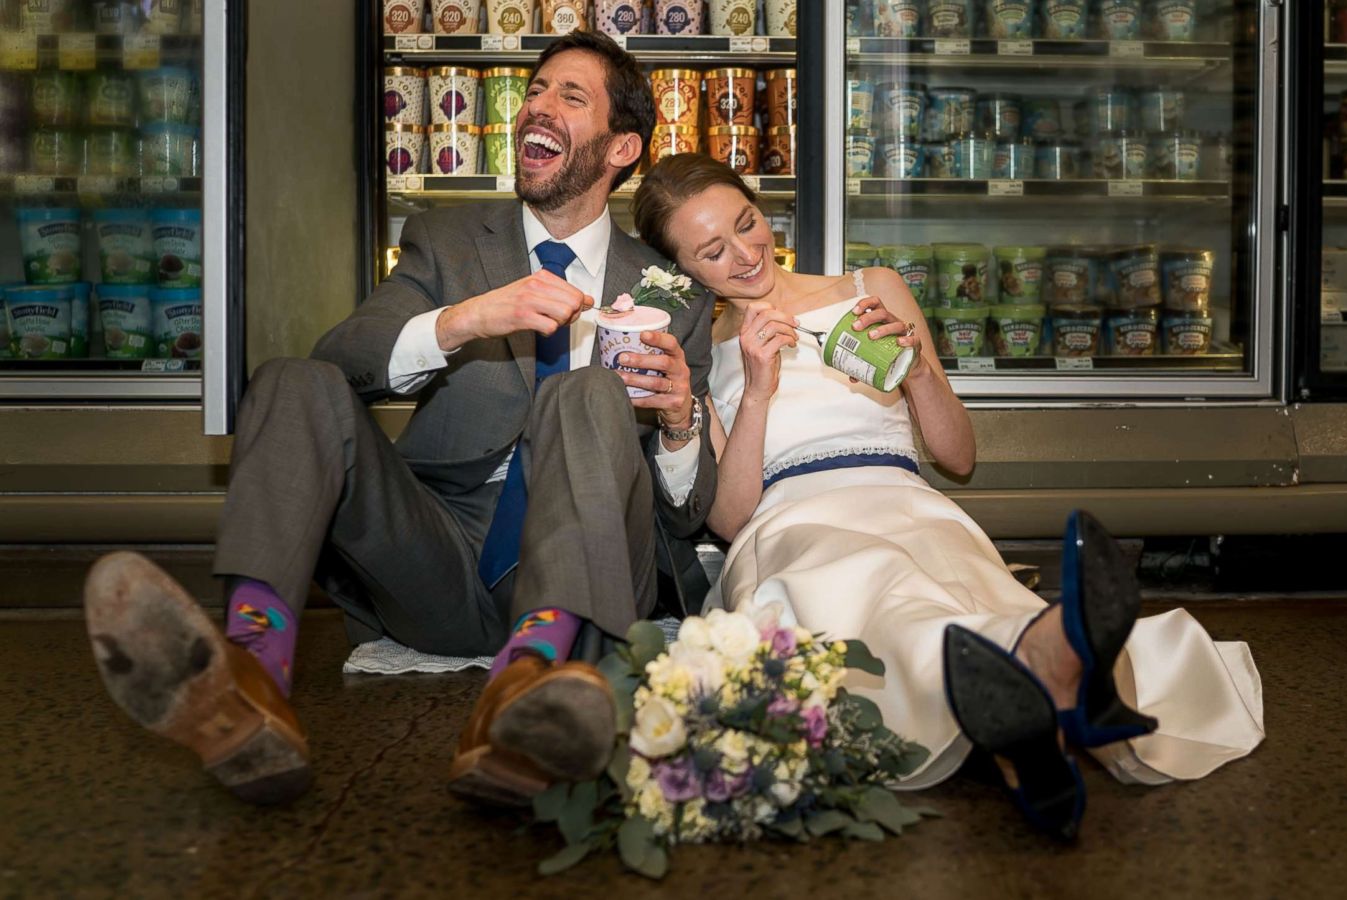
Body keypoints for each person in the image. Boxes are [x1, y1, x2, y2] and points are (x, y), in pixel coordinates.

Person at [82, 32, 717, 809]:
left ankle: (527, 687)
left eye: (569, 96)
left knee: (584, 394)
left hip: (585, 562)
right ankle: (247, 678)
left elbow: (687, 517)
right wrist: (462, 319)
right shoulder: (448, 240)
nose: (536, 109)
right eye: (537, 90)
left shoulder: (675, 289)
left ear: (623, 146)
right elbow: (341, 357)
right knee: (293, 379)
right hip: (439, 553)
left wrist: (683, 421)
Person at [630, 153, 1264, 838]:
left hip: (908, 500)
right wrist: (756, 389)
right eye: (713, 252)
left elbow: (957, 457)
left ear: (763, 209)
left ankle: (1027, 702)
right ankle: (1048, 663)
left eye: (748, 224)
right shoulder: (703, 348)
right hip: (794, 520)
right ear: (684, 271)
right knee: (869, 585)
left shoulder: (871, 287)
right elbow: (729, 516)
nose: (746, 255)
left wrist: (918, 370)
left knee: (945, 578)